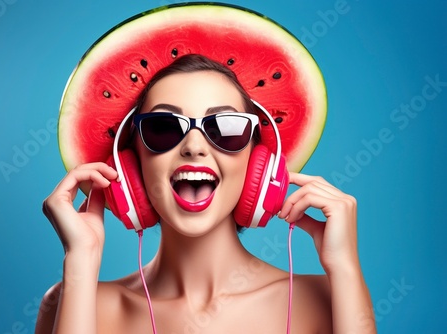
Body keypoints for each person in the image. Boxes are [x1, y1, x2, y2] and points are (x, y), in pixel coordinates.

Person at [35, 54, 376, 333]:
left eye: (226, 129)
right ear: (130, 162)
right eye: (163, 127)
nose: (194, 147)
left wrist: (345, 266)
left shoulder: (325, 298)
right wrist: (81, 259)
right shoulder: (73, 301)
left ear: (259, 160)